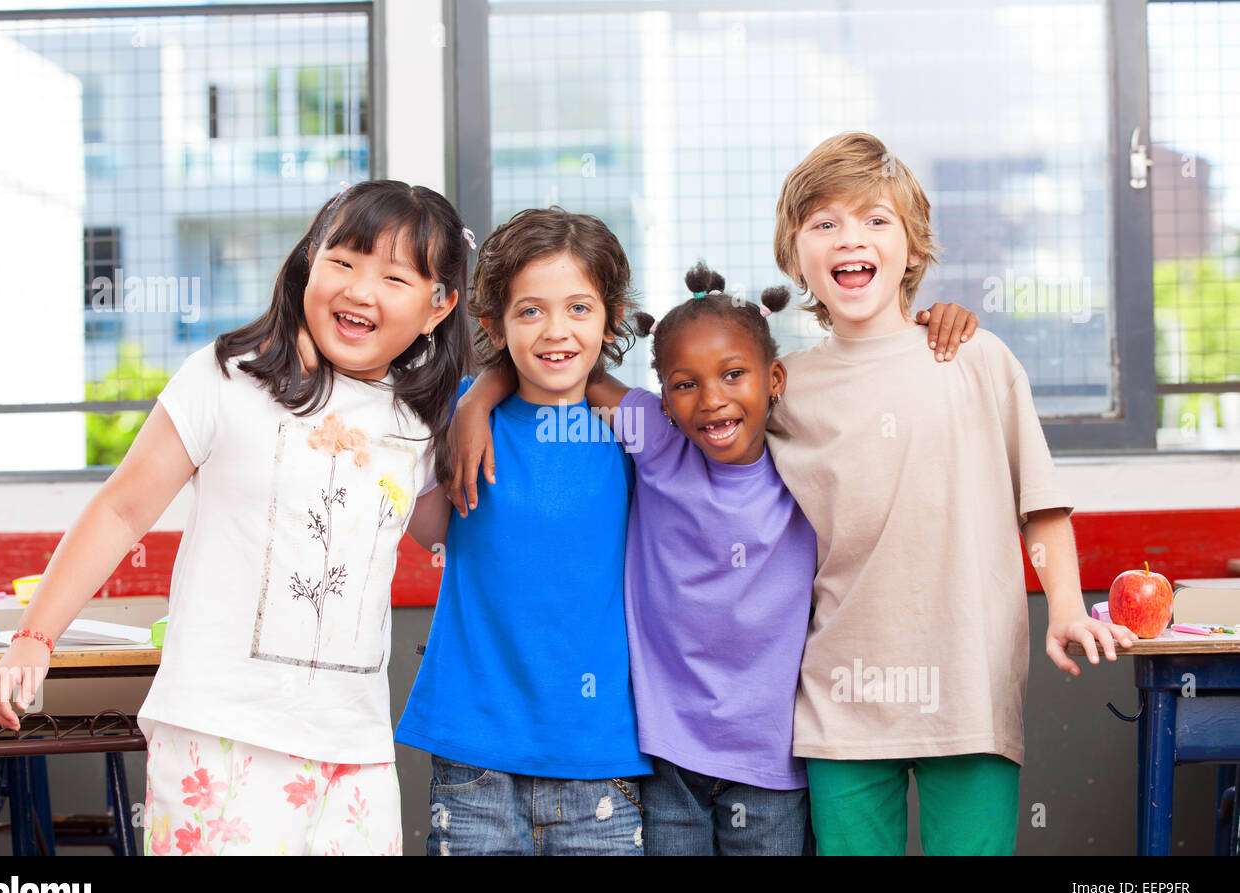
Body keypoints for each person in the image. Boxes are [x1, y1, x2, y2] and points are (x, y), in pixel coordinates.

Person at [0, 180, 471, 856]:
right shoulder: (227, 376)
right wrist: (35, 637)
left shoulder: (418, 423)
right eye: (343, 262)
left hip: (352, 752)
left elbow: (455, 535)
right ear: (309, 261)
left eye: (394, 277)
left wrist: (498, 394)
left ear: (437, 307)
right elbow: (122, 510)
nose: (360, 290)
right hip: (217, 734)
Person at [449, 258, 979, 855]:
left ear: (774, 379)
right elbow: (568, 374)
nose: (711, 400)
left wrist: (930, 323)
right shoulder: (656, 442)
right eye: (684, 384)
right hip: (668, 754)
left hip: (773, 759)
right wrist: (476, 401)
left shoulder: (804, 460)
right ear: (663, 396)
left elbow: (875, 387)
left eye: (733, 375)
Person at [766, 131, 1138, 855]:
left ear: (913, 248)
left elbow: (1043, 505)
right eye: (825, 223)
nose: (852, 237)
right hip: (838, 697)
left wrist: (1064, 606)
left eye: (877, 219)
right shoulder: (782, 388)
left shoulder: (975, 356)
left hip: (968, 686)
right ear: (795, 254)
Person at [394, 207, 652, 856]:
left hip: (599, 755)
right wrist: (476, 397)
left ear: (612, 319)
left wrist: (483, 390)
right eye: (530, 311)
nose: (556, 330)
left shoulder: (637, 426)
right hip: (474, 754)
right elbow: (422, 526)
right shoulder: (458, 416)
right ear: (494, 325)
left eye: (579, 309)